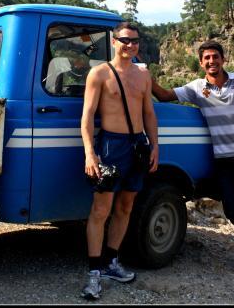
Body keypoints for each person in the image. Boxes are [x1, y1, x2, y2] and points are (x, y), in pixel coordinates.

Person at [152, 40, 234, 280]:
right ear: (201, 63)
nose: (212, 61)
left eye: (215, 56)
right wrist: (142, 73)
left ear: (223, 59)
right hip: (223, 161)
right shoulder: (196, 88)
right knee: (233, 211)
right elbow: (163, 96)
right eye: (207, 58)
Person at [80, 21, 159, 300]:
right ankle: (94, 273)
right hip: (111, 145)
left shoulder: (143, 75)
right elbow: (87, 116)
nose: (130, 45)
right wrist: (90, 152)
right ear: (114, 42)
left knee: (126, 206)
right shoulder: (99, 73)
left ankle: (111, 261)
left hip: (137, 144)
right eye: (125, 40)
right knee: (101, 209)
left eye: (135, 41)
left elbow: (149, 113)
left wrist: (154, 147)